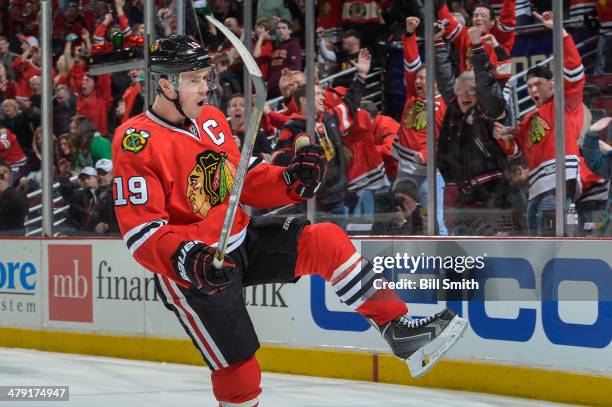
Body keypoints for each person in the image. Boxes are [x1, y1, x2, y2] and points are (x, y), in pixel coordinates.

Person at [112, 34, 466, 407]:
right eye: (194, 80)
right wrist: (187, 258)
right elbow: (141, 232)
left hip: (240, 239)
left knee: (326, 240)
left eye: (206, 77)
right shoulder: (136, 141)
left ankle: (399, 332)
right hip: (192, 267)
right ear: (166, 83)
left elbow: (243, 179)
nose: (206, 88)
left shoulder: (211, 120)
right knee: (241, 367)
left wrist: (290, 181)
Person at [494, 11, 585, 236]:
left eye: (538, 84)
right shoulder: (529, 119)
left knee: (551, 240)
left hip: (559, 183)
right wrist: (503, 136)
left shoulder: (565, 103)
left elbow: (574, 72)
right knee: (538, 240)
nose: (533, 90)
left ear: (552, 84)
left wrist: (560, 33)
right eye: (530, 86)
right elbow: (517, 150)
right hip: (536, 188)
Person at [394, 17, 448, 235]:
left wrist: (426, 154)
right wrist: (409, 34)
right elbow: (411, 61)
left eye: (423, 79)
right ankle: (398, 255)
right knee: (397, 216)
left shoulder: (442, 106)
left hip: (429, 173)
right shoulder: (412, 96)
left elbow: (444, 141)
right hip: (405, 169)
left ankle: (443, 263)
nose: (418, 81)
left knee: (433, 220)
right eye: (417, 78)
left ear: (435, 82)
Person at [0, 160, 28, 236]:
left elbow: (23, 211)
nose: (1, 175)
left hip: (14, 237)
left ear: (11, 176)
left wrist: (5, 189)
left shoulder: (18, 192)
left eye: (4, 172)